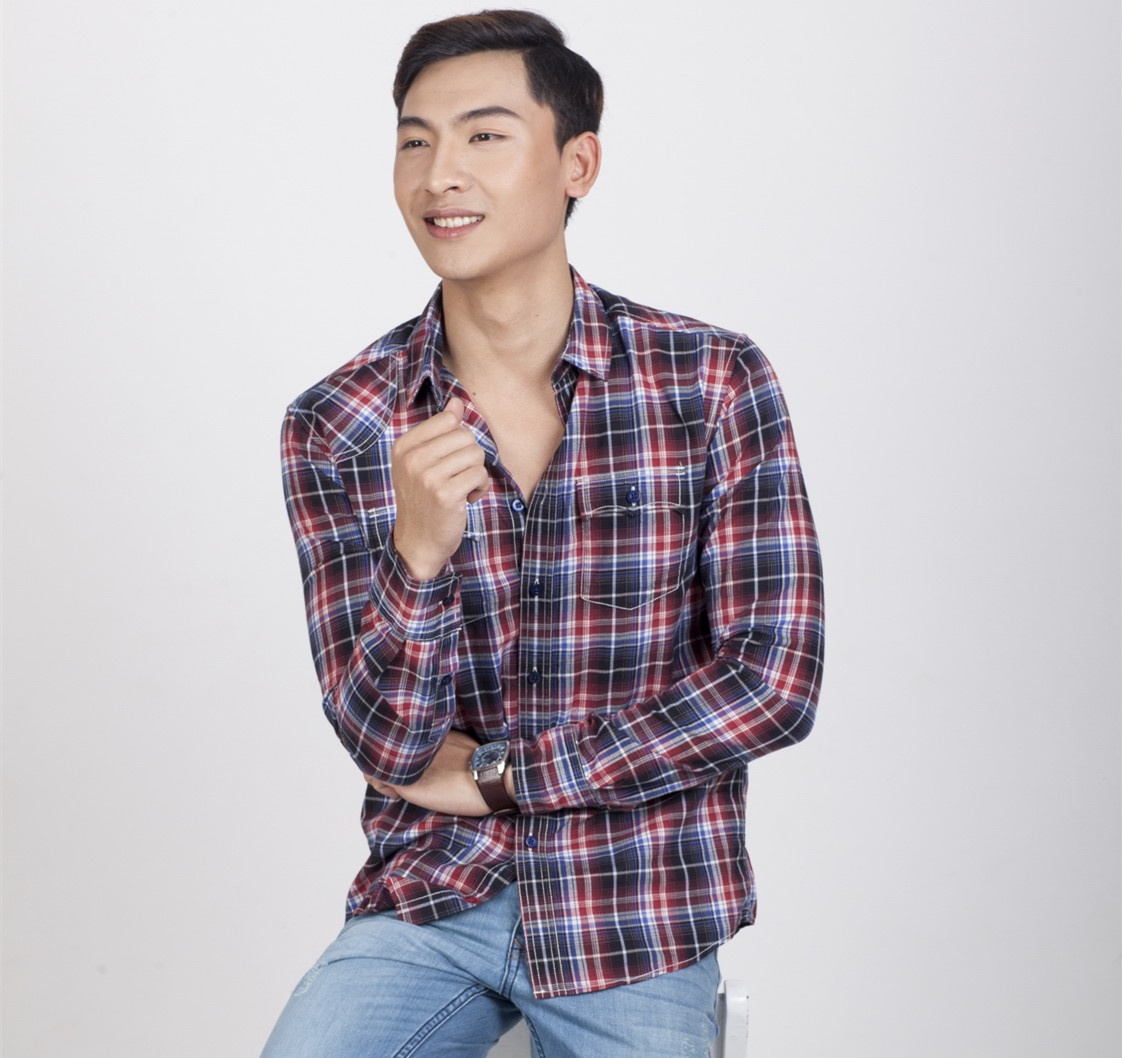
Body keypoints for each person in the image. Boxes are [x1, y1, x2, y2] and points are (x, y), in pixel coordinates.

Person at [263, 10, 824, 1057]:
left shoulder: (709, 380)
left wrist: (507, 774)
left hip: (637, 912)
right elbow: (389, 748)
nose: (440, 175)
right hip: (432, 900)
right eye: (414, 140)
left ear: (578, 163)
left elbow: (772, 682)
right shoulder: (339, 422)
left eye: (483, 135)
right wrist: (417, 555)